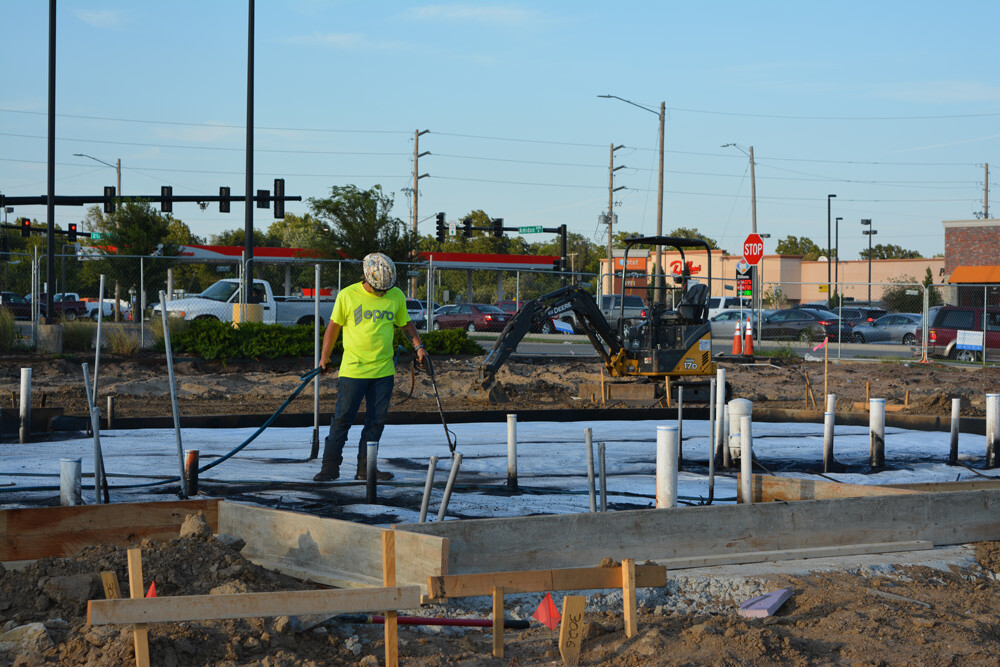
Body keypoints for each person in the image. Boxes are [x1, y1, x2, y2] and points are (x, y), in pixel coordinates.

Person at [314, 252, 429, 482]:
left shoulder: (395, 295)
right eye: (379, 289)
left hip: (383, 371)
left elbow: (406, 324)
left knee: (376, 421)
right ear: (367, 278)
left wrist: (419, 347)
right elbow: (333, 327)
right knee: (342, 419)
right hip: (354, 370)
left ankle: (366, 469)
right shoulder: (348, 295)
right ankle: (329, 468)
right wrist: (324, 356)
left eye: (386, 289)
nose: (382, 293)